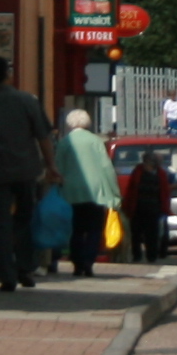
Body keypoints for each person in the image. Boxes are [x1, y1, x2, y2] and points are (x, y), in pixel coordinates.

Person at [0, 55, 54, 294]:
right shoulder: (27, 101)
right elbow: (43, 136)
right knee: (25, 219)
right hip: (26, 171)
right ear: (9, 74)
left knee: (0, 224)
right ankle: (26, 269)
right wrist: (51, 165)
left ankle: (6, 275)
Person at [54, 107, 120, 280]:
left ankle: (77, 263)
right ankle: (89, 263)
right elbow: (106, 167)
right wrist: (114, 192)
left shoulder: (64, 142)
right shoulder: (95, 141)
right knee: (94, 229)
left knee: (76, 229)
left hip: (71, 191)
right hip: (95, 192)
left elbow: (58, 167)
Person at [120, 150, 174, 265]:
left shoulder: (160, 174)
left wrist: (164, 207)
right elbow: (131, 189)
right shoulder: (138, 171)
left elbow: (164, 192)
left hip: (154, 209)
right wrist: (127, 206)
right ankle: (137, 255)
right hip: (138, 208)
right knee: (136, 234)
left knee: (152, 234)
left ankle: (152, 256)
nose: (146, 164)